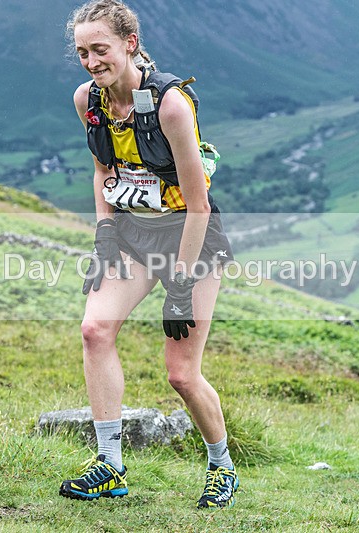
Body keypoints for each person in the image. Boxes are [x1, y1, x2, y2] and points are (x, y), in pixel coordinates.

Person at [60, 0, 239, 509]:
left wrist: (180, 285)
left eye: (101, 50)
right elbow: (102, 172)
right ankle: (110, 463)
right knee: (95, 329)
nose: (93, 61)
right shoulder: (87, 100)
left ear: (129, 45)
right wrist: (104, 235)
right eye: (82, 53)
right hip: (134, 234)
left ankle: (221, 464)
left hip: (190, 237)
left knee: (181, 374)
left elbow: (199, 201)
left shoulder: (171, 105)